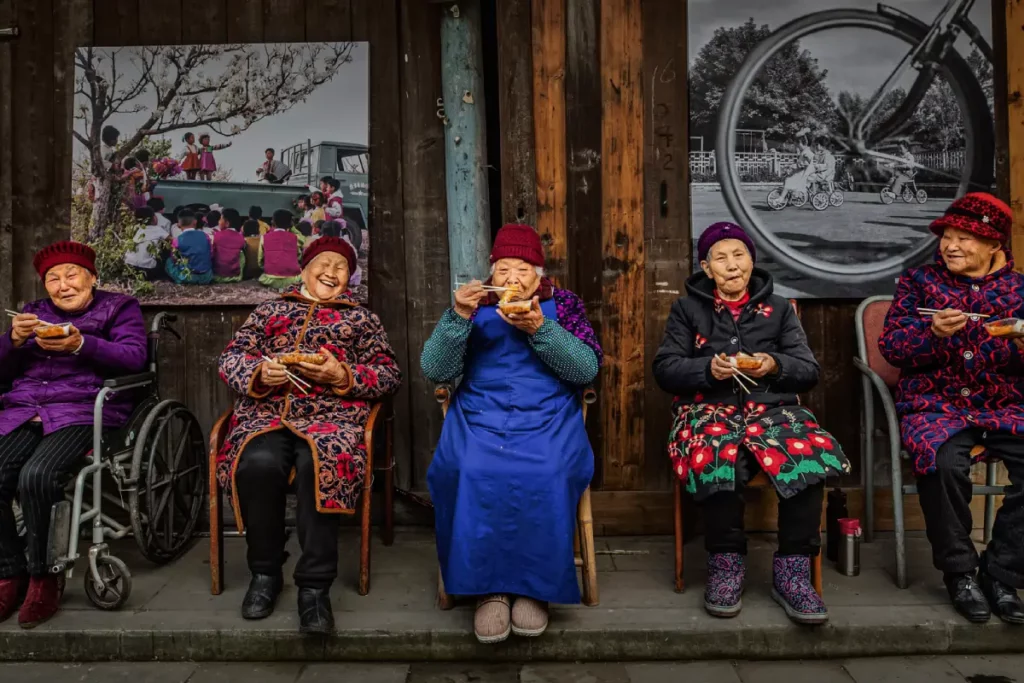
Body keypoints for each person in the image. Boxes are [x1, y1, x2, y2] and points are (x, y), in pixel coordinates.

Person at [653, 221, 850, 625]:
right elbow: (666, 370)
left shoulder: (778, 309)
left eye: (738, 255)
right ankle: (726, 565)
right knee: (718, 453)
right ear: (706, 269)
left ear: (751, 261)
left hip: (773, 411)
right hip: (706, 410)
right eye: (720, 258)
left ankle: (793, 571)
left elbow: (808, 371)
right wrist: (709, 369)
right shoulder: (687, 309)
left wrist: (774, 364)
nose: (731, 265)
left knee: (809, 454)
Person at [422, 224, 602, 644]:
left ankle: (535, 590)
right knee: (472, 468)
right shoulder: (473, 306)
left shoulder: (564, 305)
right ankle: (491, 591)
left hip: (549, 419)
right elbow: (436, 369)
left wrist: (541, 329)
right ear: (491, 274)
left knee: (547, 470)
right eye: (503, 269)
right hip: (479, 417)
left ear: (539, 275)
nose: (512, 280)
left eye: (523, 269)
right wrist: (457, 317)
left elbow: (586, 370)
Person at [216, 236, 401, 634]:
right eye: (324, 264)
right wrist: (259, 373)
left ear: (350, 279)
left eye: (341, 268)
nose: (331, 273)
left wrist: (343, 375)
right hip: (266, 415)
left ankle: (315, 588)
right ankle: (265, 573)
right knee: (257, 465)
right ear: (303, 270)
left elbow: (389, 375)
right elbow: (232, 357)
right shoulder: (270, 311)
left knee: (320, 465)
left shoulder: (361, 319)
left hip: (334, 419)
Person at [879, 192, 1024, 625]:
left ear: (995, 244)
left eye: (966, 238)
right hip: (935, 404)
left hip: (1004, 405)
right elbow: (893, 346)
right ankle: (960, 572)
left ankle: (1002, 572)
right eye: (947, 236)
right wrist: (932, 335)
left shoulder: (1019, 290)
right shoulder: (920, 284)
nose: (951, 246)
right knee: (943, 464)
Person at [0, 241, 147, 628]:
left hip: (82, 410)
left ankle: (43, 577)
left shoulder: (119, 308)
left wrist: (81, 342)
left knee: (37, 476)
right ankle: (8, 572)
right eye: (53, 278)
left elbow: (134, 357)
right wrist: (12, 341)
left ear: (92, 277)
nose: (63, 285)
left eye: (71, 275)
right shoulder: (31, 314)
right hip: (23, 410)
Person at [165, 208, 213, 285]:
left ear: (179, 224)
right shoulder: (205, 236)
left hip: (187, 278)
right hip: (206, 277)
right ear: (195, 222)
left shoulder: (177, 240)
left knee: (168, 261)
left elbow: (174, 259)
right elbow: (211, 253)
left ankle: (180, 279)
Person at [258, 210, 302, 291]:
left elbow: (260, 260)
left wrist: (266, 268)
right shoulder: (295, 238)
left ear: (273, 222)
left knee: (262, 277)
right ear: (290, 224)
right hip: (291, 279)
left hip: (270, 279)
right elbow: (298, 256)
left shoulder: (264, 237)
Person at [124, 207, 168, 281]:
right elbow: (173, 241)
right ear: (154, 218)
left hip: (129, 267)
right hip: (147, 270)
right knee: (166, 249)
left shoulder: (136, 228)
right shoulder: (157, 229)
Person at [213, 209, 247, 284]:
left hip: (217, 276)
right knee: (241, 253)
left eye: (220, 219)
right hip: (235, 277)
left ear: (227, 223)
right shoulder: (241, 237)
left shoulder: (217, 235)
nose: (218, 221)